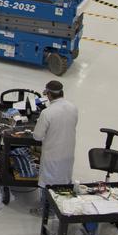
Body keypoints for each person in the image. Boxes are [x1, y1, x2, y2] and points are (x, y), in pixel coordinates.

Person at [30, 78, 78, 214]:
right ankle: (63, 207)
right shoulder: (73, 108)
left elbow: (37, 136)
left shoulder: (47, 113)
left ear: (49, 95)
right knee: (64, 179)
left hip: (53, 156)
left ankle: (45, 210)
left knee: (48, 183)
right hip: (68, 153)